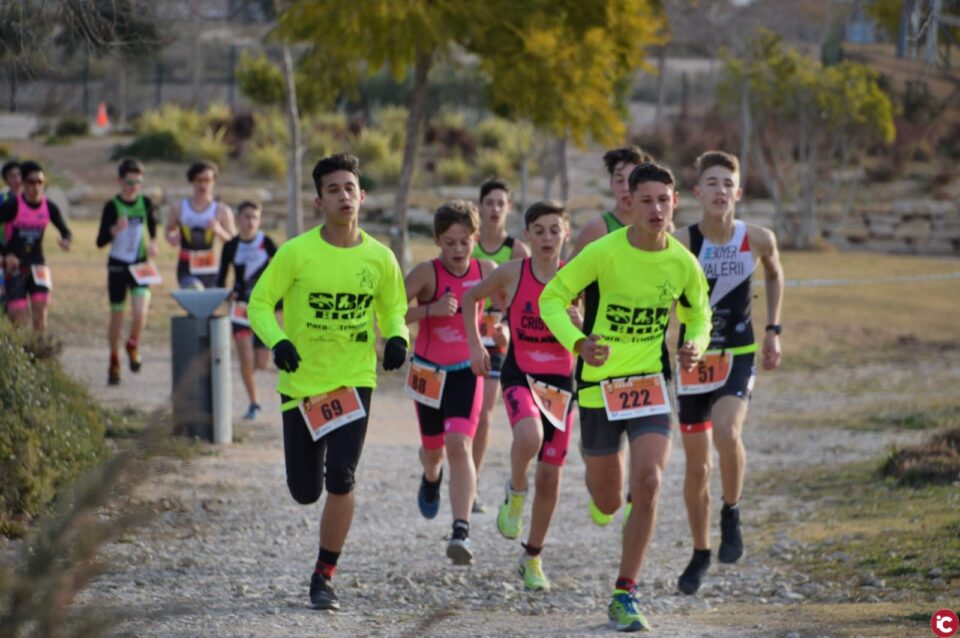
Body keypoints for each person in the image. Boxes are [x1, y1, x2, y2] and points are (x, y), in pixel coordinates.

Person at [540, 162, 711, 632]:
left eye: (664, 199)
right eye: (647, 200)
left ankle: (625, 593)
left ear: (675, 202)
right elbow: (551, 298)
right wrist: (577, 343)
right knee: (610, 499)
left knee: (651, 481)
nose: (656, 209)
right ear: (630, 204)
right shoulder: (603, 253)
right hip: (598, 389)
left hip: (650, 384)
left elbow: (699, 314)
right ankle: (607, 499)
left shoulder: (682, 263)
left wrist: (694, 341)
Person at [248, 153, 408, 611]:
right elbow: (259, 304)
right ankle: (313, 507)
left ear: (362, 196)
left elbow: (393, 307)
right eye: (333, 189)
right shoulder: (296, 253)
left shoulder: (380, 257)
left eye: (349, 188)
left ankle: (324, 575)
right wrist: (278, 342)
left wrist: (396, 336)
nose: (343, 195)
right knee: (305, 490)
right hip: (301, 385)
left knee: (341, 476)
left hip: (352, 381)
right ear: (319, 200)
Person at [672, 151, 783, 595]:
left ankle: (731, 509)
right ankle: (700, 551)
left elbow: (775, 275)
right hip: (693, 360)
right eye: (711, 183)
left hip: (738, 351)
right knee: (697, 468)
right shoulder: (679, 242)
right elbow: (663, 298)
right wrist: (670, 346)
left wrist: (773, 329)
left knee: (727, 432)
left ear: (739, 193)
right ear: (697, 193)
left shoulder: (757, 238)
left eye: (727, 183)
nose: (720, 191)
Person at [463, 200, 576, 592]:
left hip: (561, 384)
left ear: (567, 234)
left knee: (550, 477)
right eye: (539, 230)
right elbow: (469, 298)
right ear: (526, 236)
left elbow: (596, 331)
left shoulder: (576, 278)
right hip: (521, 374)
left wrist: (583, 324)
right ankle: (514, 490)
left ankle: (532, 557)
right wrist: (476, 346)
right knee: (529, 438)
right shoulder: (513, 273)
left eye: (555, 230)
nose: (547, 237)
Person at [403, 200, 495, 565]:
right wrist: (430, 310)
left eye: (464, 242)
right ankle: (430, 475)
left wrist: (500, 329)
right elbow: (390, 312)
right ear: (438, 241)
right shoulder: (426, 273)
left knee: (459, 443)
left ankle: (461, 529)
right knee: (433, 449)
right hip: (427, 372)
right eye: (449, 242)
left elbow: (511, 305)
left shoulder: (487, 270)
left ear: (475, 238)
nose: (457, 251)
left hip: (465, 372)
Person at [470, 178, 530, 513]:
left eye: (500, 203)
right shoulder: (468, 245)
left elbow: (526, 298)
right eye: (489, 202)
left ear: (508, 208)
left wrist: (507, 325)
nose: (494, 209)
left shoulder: (518, 251)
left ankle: (472, 485)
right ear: (479, 207)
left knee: (484, 413)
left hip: (499, 338)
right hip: (464, 336)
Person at [95, 158, 159, 385]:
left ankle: (132, 344)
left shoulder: (146, 203)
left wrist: (154, 243)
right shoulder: (112, 206)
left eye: (138, 182)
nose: (133, 187)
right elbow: (100, 241)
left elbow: (152, 228)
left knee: (141, 312)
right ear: (120, 181)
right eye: (129, 182)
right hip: (117, 267)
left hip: (139, 265)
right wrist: (114, 229)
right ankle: (114, 360)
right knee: (118, 317)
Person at [216, 200, 278, 420]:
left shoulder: (266, 242)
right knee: (246, 358)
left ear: (259, 220)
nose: (250, 221)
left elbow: (282, 272)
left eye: (254, 217)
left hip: (263, 309)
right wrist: (228, 293)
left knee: (262, 363)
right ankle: (254, 403)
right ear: (238, 219)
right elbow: (221, 278)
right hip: (240, 309)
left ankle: (254, 389)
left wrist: (278, 303)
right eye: (246, 216)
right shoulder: (231, 246)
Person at [0, 160, 72, 333]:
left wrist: (66, 239)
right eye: (31, 182)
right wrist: (6, 254)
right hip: (15, 266)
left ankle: (40, 356)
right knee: (19, 319)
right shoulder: (13, 205)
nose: (36, 186)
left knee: (41, 312)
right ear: (23, 183)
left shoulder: (49, 207)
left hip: (38, 264)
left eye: (40, 182)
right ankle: (18, 357)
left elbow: (65, 230)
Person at [165, 161, 236, 289]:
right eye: (199, 180)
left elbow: (234, 242)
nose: (203, 185)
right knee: (195, 291)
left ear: (214, 181)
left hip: (210, 267)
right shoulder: (179, 208)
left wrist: (219, 230)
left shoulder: (222, 210)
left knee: (207, 305)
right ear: (192, 180)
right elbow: (169, 230)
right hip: (186, 266)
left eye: (208, 180)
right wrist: (172, 237)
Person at [569, 146, 649, 259]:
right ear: (611, 184)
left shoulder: (660, 227)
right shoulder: (597, 229)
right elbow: (568, 274)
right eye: (619, 180)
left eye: (632, 180)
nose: (626, 187)